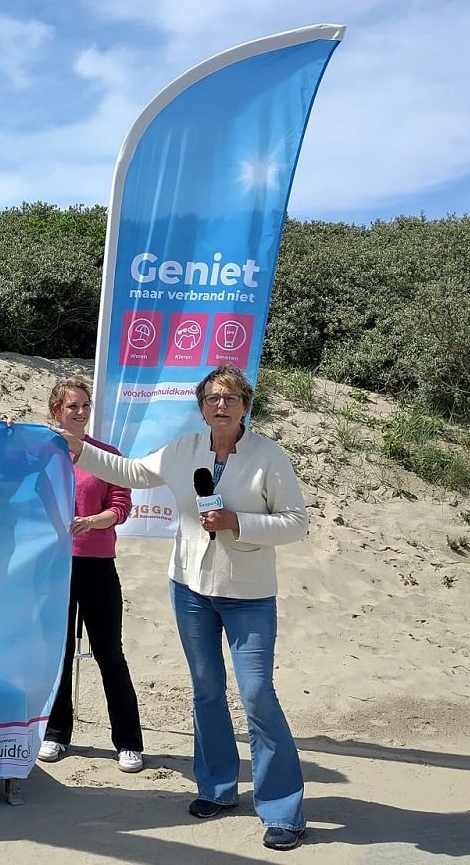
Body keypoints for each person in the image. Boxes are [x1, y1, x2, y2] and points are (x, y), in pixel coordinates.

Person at [51, 365, 310, 852]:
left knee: (257, 696)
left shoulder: (268, 456)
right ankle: (216, 788)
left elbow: (297, 523)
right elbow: (130, 472)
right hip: (190, 588)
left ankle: (282, 809)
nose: (221, 405)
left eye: (230, 397)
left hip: (249, 595)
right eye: (212, 397)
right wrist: (77, 447)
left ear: (245, 404)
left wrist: (238, 521)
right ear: (201, 405)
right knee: (206, 692)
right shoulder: (184, 449)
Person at [37, 377, 146, 772]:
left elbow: (121, 506)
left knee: (109, 653)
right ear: (56, 411)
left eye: (84, 405)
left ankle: (129, 742)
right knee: (58, 654)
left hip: (97, 564)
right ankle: (55, 733)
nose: (80, 412)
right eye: (72, 406)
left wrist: (94, 521)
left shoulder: (105, 455)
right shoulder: (40, 453)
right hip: (53, 567)